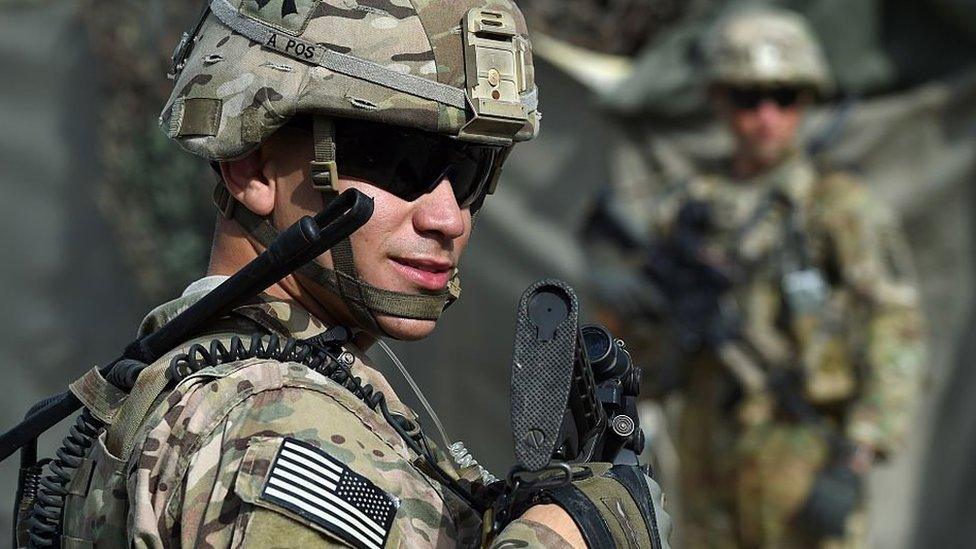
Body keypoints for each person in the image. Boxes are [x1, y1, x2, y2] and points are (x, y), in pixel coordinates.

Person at [24, 1, 672, 547]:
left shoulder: (212, 377)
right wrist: (568, 530)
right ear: (250, 166)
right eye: (399, 161)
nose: (448, 215)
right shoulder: (273, 426)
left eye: (472, 171)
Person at [583, 6, 925, 548]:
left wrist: (858, 454)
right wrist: (625, 304)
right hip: (704, 452)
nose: (766, 116)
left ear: (807, 100)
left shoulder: (835, 207)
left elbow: (893, 328)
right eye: (747, 98)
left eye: (784, 97)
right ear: (719, 99)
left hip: (803, 447)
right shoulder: (686, 209)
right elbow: (638, 339)